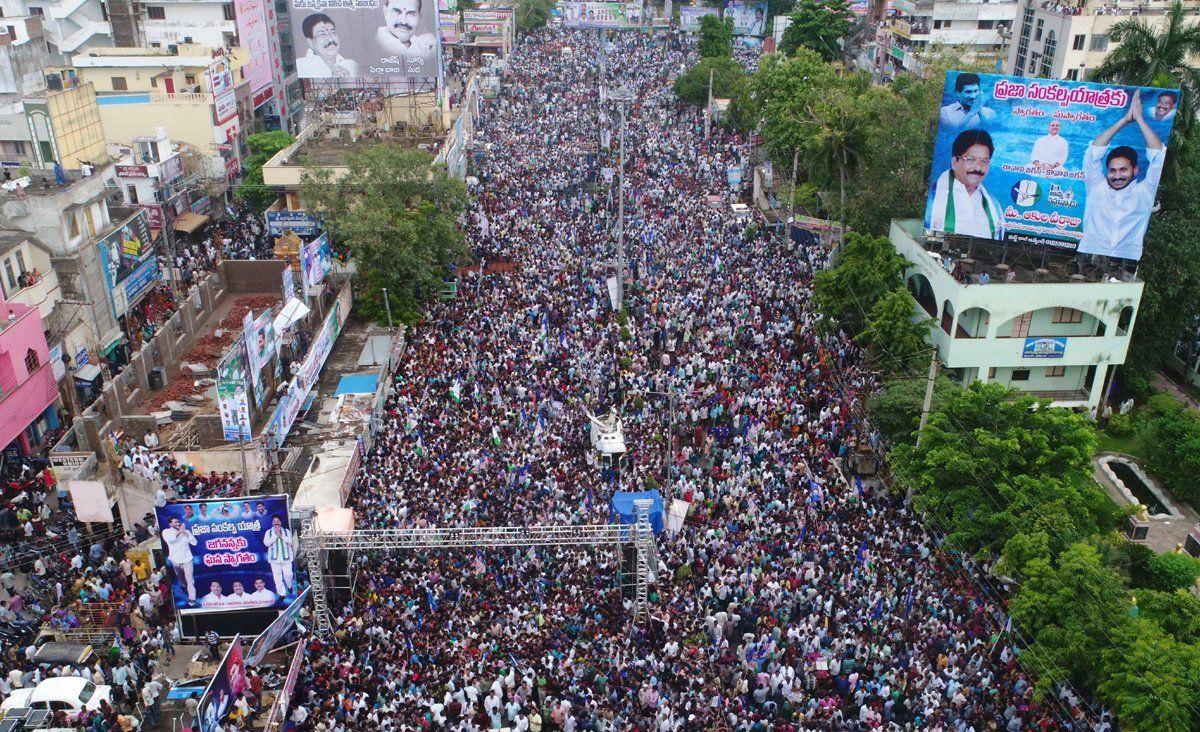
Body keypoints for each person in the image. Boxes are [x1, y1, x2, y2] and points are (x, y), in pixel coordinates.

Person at [1078, 89, 1164, 260]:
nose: (1117, 176)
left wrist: (1139, 119)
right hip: (1089, 252)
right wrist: (1125, 120)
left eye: (1123, 169)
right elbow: (1092, 153)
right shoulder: (1097, 187)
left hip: (1127, 257)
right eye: (1113, 170)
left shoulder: (1144, 191)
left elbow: (1159, 156)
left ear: (1135, 170)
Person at [928, 129, 1004, 239]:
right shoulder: (932, 199)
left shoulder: (994, 207)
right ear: (954, 162)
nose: (978, 168)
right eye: (971, 160)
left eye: (984, 161)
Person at [375, 0, 437, 74]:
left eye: (411, 13)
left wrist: (435, 46)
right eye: (397, 11)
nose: (403, 21)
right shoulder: (370, 45)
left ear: (419, 17)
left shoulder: (425, 42)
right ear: (385, 11)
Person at [296, 13, 361, 79]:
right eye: (322, 34)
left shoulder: (352, 65)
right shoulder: (300, 66)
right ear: (310, 42)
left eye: (333, 32)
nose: (330, 39)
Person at [161, 516, 198, 606]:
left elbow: (194, 543)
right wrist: (180, 532)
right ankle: (183, 585)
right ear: (170, 524)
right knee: (181, 577)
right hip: (175, 559)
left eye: (178, 522)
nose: (177, 524)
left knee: (190, 579)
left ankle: (192, 599)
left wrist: (187, 534)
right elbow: (170, 539)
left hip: (187, 558)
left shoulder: (186, 532)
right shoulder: (166, 532)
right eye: (175, 522)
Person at [263, 516, 295, 598]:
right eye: (274, 521)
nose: (276, 523)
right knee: (277, 578)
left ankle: (289, 585)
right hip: (274, 560)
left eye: (278, 521)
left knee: (289, 575)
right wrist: (275, 536)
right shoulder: (268, 532)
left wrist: (281, 536)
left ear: (280, 522)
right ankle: (282, 593)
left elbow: (291, 542)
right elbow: (266, 543)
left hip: (286, 558)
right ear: (272, 523)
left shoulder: (286, 531)